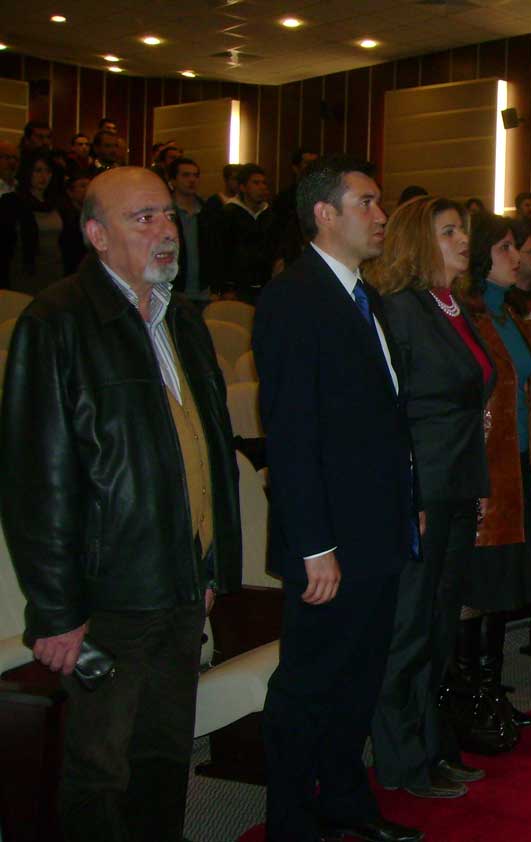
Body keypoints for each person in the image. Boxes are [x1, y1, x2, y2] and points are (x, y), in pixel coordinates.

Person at [0, 166, 242, 842]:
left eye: (168, 215)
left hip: (179, 580)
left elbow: (208, 453)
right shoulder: (56, 322)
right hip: (108, 592)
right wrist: (56, 612)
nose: (166, 231)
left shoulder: (182, 320)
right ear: (96, 235)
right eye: (143, 218)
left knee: (164, 752)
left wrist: (209, 566)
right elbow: (36, 483)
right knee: (99, 769)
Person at [253, 155, 422, 842]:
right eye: (367, 203)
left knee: (359, 678)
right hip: (328, 539)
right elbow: (292, 434)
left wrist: (406, 500)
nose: (381, 216)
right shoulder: (293, 298)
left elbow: (385, 420)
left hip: (375, 528)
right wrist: (313, 544)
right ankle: (291, 822)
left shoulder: (363, 295)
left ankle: (346, 801)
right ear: (324, 214)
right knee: (309, 684)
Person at [365, 197, 492, 799]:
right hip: (422, 488)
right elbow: (389, 411)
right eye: (448, 232)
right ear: (418, 240)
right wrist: (407, 489)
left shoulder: (453, 305)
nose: (463, 240)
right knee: (409, 630)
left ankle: (433, 745)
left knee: (440, 626)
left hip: (458, 484)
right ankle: (401, 761)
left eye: (462, 230)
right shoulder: (398, 308)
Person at [456, 213, 531, 744]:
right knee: (479, 588)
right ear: (481, 255)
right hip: (484, 473)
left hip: (517, 467)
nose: (518, 257)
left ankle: (491, 689)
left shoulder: (509, 313)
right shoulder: (465, 315)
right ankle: (468, 697)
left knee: (502, 590)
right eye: (506, 248)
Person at [0, 148, 75, 295]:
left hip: (55, 272)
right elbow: (4, 245)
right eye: (38, 171)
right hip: (24, 273)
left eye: (48, 171)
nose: (43, 176)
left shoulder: (58, 203)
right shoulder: (11, 203)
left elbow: (67, 241)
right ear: (28, 172)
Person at [169, 157, 224, 308]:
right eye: (186, 175)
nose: (192, 180)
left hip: (204, 293)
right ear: (173, 181)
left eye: (196, 175)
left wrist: (217, 288)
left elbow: (217, 251)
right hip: (174, 292)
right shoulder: (165, 214)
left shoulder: (208, 213)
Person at [222, 163, 276, 300]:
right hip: (237, 289)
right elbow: (221, 252)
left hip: (265, 286)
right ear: (243, 187)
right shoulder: (229, 213)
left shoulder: (269, 214)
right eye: (256, 183)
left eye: (264, 183)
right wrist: (226, 287)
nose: (262, 187)